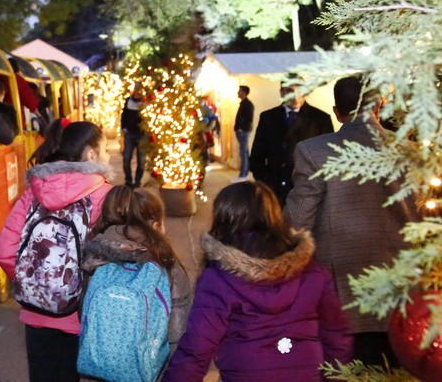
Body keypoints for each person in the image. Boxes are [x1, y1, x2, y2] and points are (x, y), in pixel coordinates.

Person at [284, 76, 419, 367]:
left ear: (336, 112)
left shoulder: (314, 152)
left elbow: (296, 222)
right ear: (379, 105)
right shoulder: (412, 152)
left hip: (342, 295)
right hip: (403, 292)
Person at [163, 181, 352, 381]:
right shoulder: (312, 271)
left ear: (222, 221)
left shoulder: (218, 279)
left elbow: (197, 349)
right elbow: (336, 335)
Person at [0, 119, 113, 382]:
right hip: (81, 315)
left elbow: (4, 250)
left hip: (36, 313)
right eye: (106, 150)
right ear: (91, 154)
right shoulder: (105, 196)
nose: (108, 156)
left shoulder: (34, 192)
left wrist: (37, 281)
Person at [82, 185, 192, 352]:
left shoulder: (96, 255)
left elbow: (83, 311)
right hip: (149, 367)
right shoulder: (166, 263)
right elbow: (177, 329)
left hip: (99, 364)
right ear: (155, 225)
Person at [249, 79, 333, 205]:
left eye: (300, 90)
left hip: (307, 192)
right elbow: (257, 156)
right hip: (274, 191)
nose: (295, 95)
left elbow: (328, 159)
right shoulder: (268, 117)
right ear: (281, 93)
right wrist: (265, 182)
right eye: (290, 91)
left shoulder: (320, 119)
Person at [120, 81, 146, 188]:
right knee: (126, 159)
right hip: (130, 134)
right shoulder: (128, 101)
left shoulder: (145, 102)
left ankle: (138, 182)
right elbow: (124, 115)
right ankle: (129, 181)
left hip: (142, 135)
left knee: (141, 160)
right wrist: (124, 128)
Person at [233, 85, 254, 181]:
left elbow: (249, 118)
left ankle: (243, 174)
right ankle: (245, 173)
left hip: (243, 131)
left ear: (244, 93)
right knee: (244, 152)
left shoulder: (247, 104)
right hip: (242, 131)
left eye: (239, 91)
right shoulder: (243, 104)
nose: (238, 93)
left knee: (243, 153)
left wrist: (241, 127)